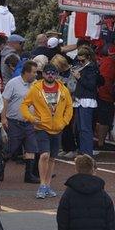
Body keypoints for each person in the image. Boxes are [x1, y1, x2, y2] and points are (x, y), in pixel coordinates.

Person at [21, 63, 74, 199]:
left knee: (52, 158)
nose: (50, 75)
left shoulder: (63, 89)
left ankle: (48, 185)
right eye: (47, 72)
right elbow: (25, 105)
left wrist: (64, 122)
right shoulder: (36, 88)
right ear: (43, 74)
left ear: (56, 75)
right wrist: (31, 118)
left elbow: (69, 107)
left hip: (57, 128)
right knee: (44, 155)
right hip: (41, 127)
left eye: (53, 72)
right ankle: (42, 185)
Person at [3, 60, 40, 184]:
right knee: (10, 149)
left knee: (31, 148)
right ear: (26, 72)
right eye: (34, 72)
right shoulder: (13, 83)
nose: (36, 74)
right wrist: (3, 118)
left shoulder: (35, 84)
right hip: (14, 122)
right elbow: (5, 101)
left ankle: (28, 175)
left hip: (29, 122)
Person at [72, 46, 102, 156]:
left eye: (82, 60)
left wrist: (79, 77)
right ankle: (83, 151)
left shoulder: (92, 68)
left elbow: (91, 85)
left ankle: (87, 153)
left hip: (87, 100)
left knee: (85, 129)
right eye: (79, 60)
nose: (80, 62)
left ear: (88, 57)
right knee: (80, 128)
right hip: (80, 99)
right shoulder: (84, 67)